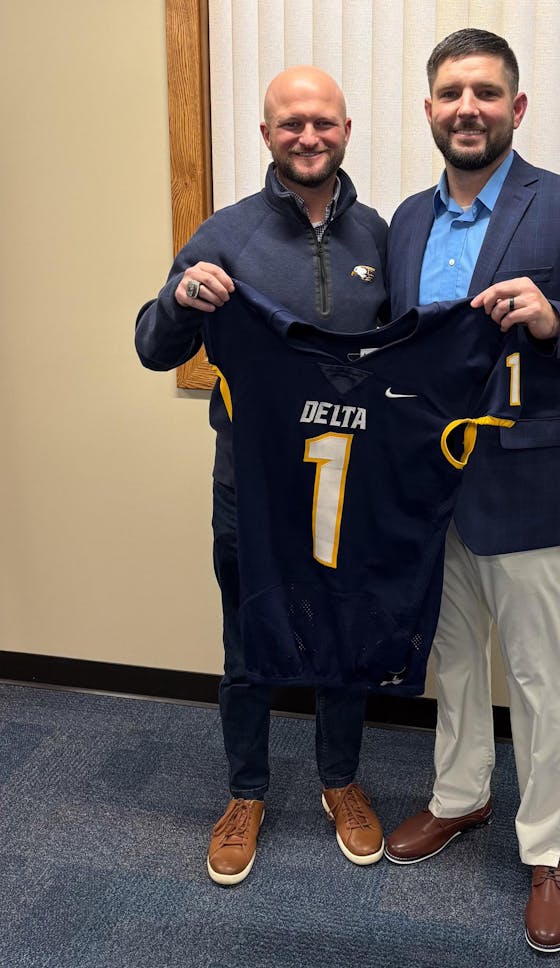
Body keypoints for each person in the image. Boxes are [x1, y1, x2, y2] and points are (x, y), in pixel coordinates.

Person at [383, 29, 560, 953]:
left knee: (537, 675)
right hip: (428, 487)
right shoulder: (407, 220)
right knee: (450, 658)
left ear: (516, 108)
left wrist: (554, 316)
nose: (469, 108)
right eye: (452, 92)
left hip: (527, 480)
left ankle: (550, 848)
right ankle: (460, 798)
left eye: (487, 93)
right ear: (429, 110)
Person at [135, 66, 389, 884]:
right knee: (248, 647)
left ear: (347, 129)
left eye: (322, 122)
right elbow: (152, 345)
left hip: (348, 488)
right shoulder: (227, 234)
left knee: (344, 640)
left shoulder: (383, 237)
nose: (307, 136)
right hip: (248, 489)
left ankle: (340, 782)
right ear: (267, 136)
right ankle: (246, 792)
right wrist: (181, 299)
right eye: (290, 124)